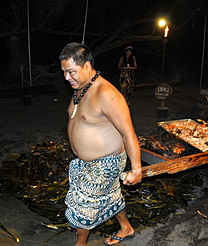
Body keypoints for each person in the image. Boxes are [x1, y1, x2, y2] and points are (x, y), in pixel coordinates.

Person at [59, 42, 142, 246]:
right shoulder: (80, 88)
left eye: (71, 72)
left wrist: (137, 169)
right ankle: (126, 227)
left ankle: (81, 243)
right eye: (64, 72)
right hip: (86, 162)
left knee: (84, 205)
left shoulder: (107, 94)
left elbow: (129, 133)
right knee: (110, 195)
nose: (67, 77)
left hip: (106, 163)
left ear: (87, 66)